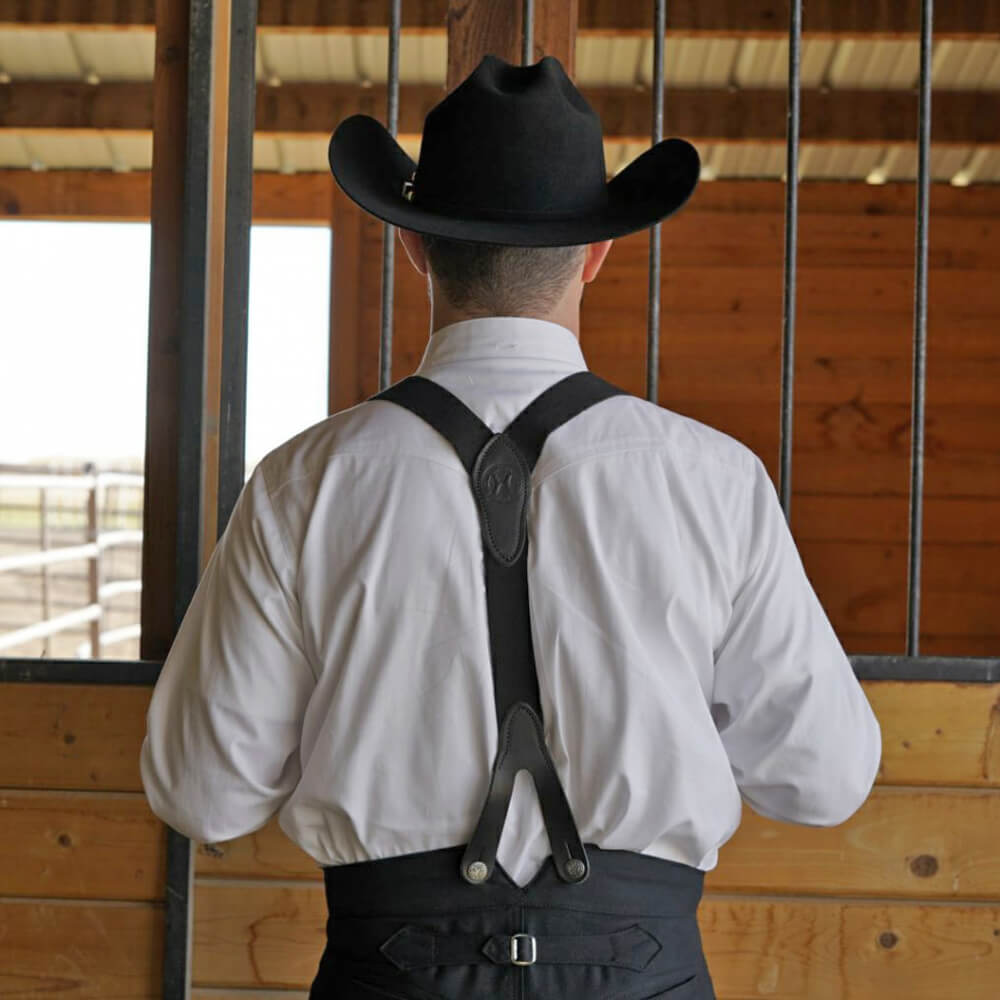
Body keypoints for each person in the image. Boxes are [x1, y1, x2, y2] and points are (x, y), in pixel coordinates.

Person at [140, 54, 882, 1000]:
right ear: (598, 253)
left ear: (414, 248)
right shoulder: (715, 480)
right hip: (643, 976)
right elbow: (823, 781)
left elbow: (203, 792)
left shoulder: (302, 484)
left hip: (391, 972)